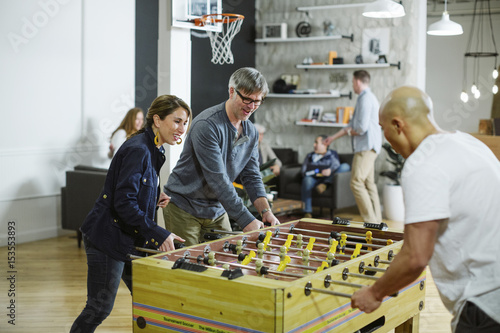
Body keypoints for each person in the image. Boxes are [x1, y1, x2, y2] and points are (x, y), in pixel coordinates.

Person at [351, 86, 500, 332]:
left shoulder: (423, 163)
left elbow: (415, 257)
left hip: (485, 303)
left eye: (382, 127)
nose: (384, 135)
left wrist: (374, 293)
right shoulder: (469, 143)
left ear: (398, 125)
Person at [70, 95, 191, 332]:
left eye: (185, 123)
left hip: (130, 238)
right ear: (157, 119)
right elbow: (123, 203)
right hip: (108, 238)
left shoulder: (154, 147)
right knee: (99, 308)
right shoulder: (139, 149)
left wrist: (153, 199)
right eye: (177, 121)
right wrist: (159, 232)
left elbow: (131, 192)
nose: (182, 129)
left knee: (149, 298)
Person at [163, 67, 280, 247]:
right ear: (232, 91)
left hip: (217, 209)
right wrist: (246, 220)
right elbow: (217, 179)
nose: (251, 107)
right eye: (247, 99)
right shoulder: (207, 125)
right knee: (187, 268)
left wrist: (265, 211)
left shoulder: (251, 131)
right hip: (184, 207)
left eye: (257, 101)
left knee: (224, 263)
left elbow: (252, 176)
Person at [324, 70, 382, 223]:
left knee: (356, 182)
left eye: (352, 82)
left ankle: (371, 222)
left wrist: (350, 133)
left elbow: (360, 128)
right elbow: (351, 125)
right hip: (371, 146)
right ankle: (378, 222)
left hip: (365, 147)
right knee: (369, 184)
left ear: (357, 81)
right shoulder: (368, 97)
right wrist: (333, 138)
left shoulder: (365, 99)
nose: (352, 85)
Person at [301, 135, 350, 218]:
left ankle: (325, 184)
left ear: (325, 144)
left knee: (345, 166)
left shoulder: (332, 154)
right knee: (306, 180)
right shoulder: (310, 156)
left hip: (328, 177)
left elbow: (336, 165)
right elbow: (303, 170)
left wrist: (330, 170)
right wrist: (312, 173)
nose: (314, 145)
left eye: (317, 143)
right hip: (313, 178)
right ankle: (307, 212)